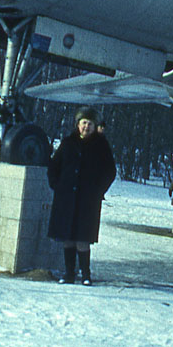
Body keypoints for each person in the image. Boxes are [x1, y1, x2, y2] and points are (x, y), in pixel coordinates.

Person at [47, 106, 116, 285]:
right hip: (66, 199)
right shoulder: (68, 143)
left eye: (90, 124)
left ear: (95, 127)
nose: (86, 127)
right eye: (83, 123)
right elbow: (54, 166)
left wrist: (98, 191)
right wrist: (57, 185)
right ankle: (69, 274)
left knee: (82, 239)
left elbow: (110, 171)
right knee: (67, 238)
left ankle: (85, 275)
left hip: (88, 201)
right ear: (78, 124)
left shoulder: (101, 145)